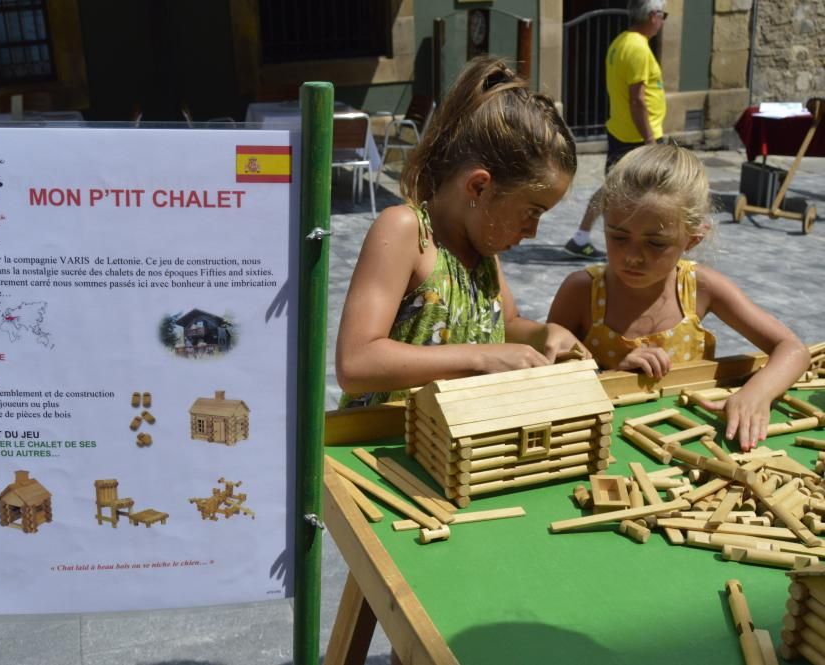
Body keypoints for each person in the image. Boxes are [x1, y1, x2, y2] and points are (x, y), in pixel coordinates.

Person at [335, 57, 586, 408]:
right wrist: (481, 358)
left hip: (454, 441)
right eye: (531, 212)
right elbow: (356, 362)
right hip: (382, 443)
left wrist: (546, 333)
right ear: (480, 188)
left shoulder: (483, 250)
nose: (532, 232)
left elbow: (507, 322)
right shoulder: (406, 231)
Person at [547, 143, 810, 451]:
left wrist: (757, 393)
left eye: (656, 243)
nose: (632, 256)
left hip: (690, 447)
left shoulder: (701, 288)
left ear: (692, 240)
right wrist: (608, 374)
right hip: (603, 446)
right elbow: (550, 378)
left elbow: (793, 349)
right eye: (618, 237)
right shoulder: (582, 292)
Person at [563, 0, 668, 260]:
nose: (663, 21)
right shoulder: (638, 49)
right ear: (653, 15)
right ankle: (643, 242)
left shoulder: (621, 42)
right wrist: (650, 140)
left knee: (614, 188)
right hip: (636, 136)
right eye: (663, 15)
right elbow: (638, 99)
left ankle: (582, 237)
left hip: (621, 130)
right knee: (647, 192)